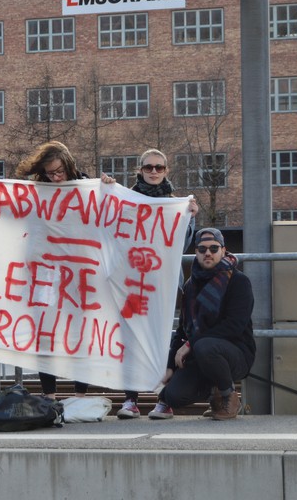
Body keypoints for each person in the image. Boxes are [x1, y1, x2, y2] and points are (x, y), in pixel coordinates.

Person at [14, 141, 112, 398]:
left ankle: (80, 394)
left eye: (59, 172)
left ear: (69, 165)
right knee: (44, 331)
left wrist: (109, 187)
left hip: (79, 271)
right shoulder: (38, 191)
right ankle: (49, 395)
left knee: (80, 331)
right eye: (50, 173)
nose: (56, 177)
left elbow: (110, 213)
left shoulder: (88, 188)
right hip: (46, 272)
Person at [110, 149, 199, 419]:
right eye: (148, 167)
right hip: (132, 281)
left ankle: (165, 400)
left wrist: (190, 217)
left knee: (168, 339)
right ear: (139, 170)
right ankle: (130, 399)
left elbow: (180, 245)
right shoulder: (125, 200)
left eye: (159, 168)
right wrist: (105, 191)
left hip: (164, 283)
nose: (153, 172)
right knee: (131, 338)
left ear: (166, 170)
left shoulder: (176, 205)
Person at [147, 228, 256, 420]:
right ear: (195, 252)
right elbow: (182, 330)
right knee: (172, 395)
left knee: (205, 346)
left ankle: (228, 396)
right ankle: (213, 391)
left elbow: (234, 326)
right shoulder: (191, 285)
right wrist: (171, 364)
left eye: (214, 248)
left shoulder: (238, 281)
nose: (208, 253)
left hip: (235, 353)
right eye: (202, 249)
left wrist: (190, 344)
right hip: (200, 355)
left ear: (223, 250)